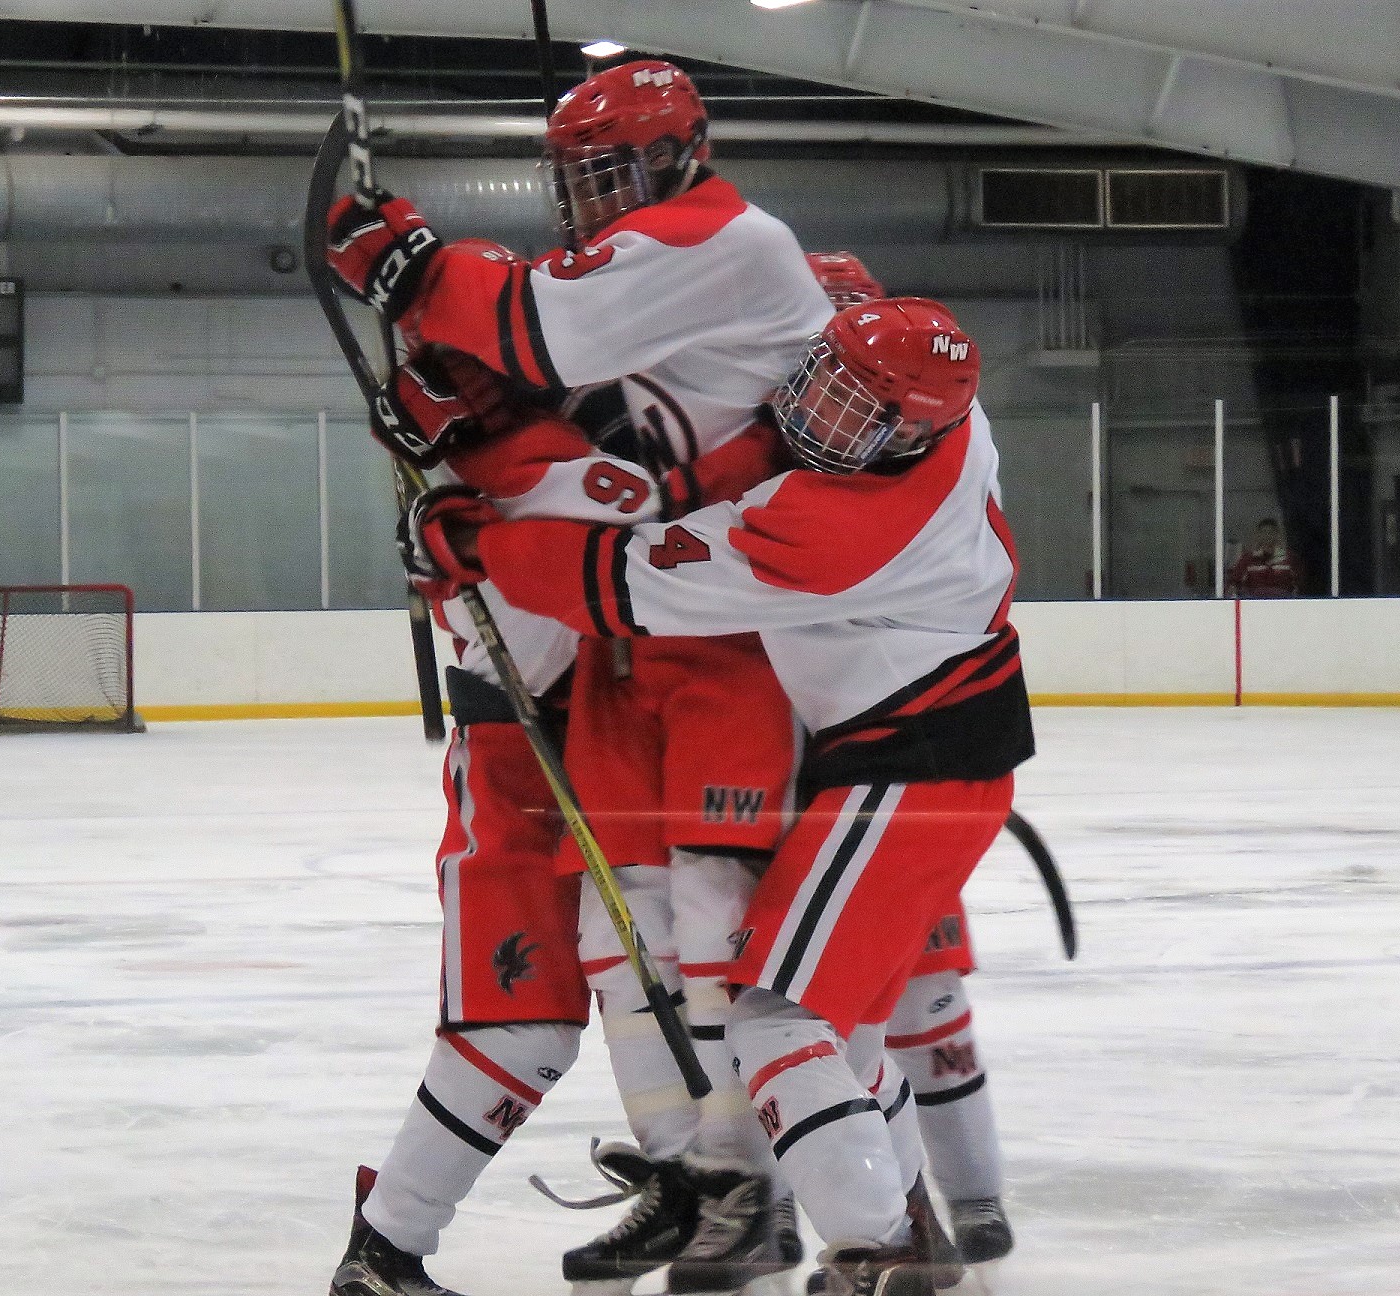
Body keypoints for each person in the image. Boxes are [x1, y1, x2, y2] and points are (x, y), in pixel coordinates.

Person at [323, 57, 832, 1294]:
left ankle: (726, 1192)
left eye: (613, 171)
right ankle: (404, 1249)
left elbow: (582, 424)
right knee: (549, 1007)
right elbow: (576, 531)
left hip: (639, 695)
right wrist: (457, 503)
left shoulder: (681, 289)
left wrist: (426, 296)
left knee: (696, 957)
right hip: (528, 741)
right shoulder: (542, 449)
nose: (592, 200)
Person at [407, 298, 1034, 1296]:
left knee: (778, 1021)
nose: (815, 414)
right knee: (845, 1037)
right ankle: (906, 1227)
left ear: (909, 432)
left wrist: (479, 540)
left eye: (853, 410)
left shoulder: (825, 531)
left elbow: (617, 580)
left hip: (910, 776)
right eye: (823, 380)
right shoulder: (954, 432)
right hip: (921, 765)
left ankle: (880, 1252)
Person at [805, 254, 1015, 1276]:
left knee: (899, 1008)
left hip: (900, 759)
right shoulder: (927, 418)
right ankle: (949, 1208)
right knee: (894, 1011)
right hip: (909, 745)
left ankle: (944, 1208)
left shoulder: (904, 433)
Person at [1225, 517, 1303, 597]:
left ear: (1277, 535)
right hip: (1254, 603)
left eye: (1271, 532)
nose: (1267, 536)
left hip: (1283, 603)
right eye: (1264, 532)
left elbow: (1301, 586)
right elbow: (1233, 584)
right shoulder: (1248, 559)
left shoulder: (1290, 558)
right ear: (1258, 535)